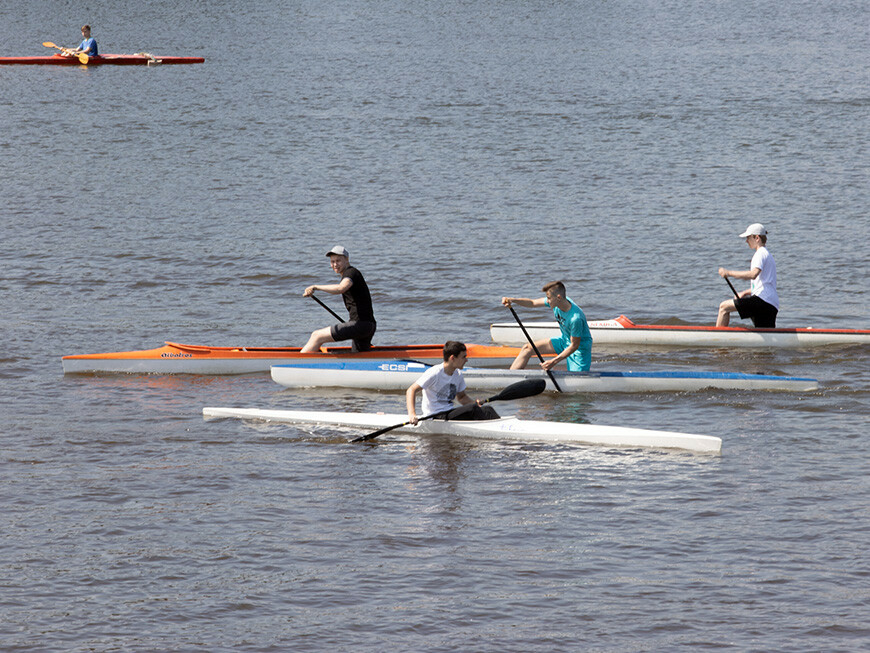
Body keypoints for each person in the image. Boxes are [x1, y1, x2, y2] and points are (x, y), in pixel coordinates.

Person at [501, 281, 592, 372]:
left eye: (549, 298)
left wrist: (553, 361)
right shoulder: (558, 301)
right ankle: (511, 377)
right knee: (527, 349)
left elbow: (574, 346)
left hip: (579, 350)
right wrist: (513, 300)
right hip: (564, 341)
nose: (547, 301)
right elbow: (532, 303)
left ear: (558, 297)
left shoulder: (575, 318)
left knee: (575, 380)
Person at [301, 246, 376, 352]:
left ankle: (297, 364)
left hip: (360, 325)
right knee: (358, 358)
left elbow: (341, 288)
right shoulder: (350, 274)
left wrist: (315, 287)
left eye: (338, 261)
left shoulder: (351, 272)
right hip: (368, 326)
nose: (335, 264)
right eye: (332, 261)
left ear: (347, 259)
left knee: (317, 336)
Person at [406, 341, 500, 423]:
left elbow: (462, 398)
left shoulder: (458, 374)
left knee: (487, 409)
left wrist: (474, 402)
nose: (466, 360)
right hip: (435, 416)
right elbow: (411, 390)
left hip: (449, 412)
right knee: (473, 409)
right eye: (463, 357)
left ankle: (499, 424)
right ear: (452, 358)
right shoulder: (434, 373)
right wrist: (412, 414)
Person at [717, 223, 778, 327]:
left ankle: (716, 337)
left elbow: (753, 274)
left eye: (748, 238)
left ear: (757, 238)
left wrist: (728, 273)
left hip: (762, 301)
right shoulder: (768, 255)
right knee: (766, 335)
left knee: (723, 307)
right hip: (772, 304)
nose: (746, 241)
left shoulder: (760, 253)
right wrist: (745, 292)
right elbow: (765, 284)